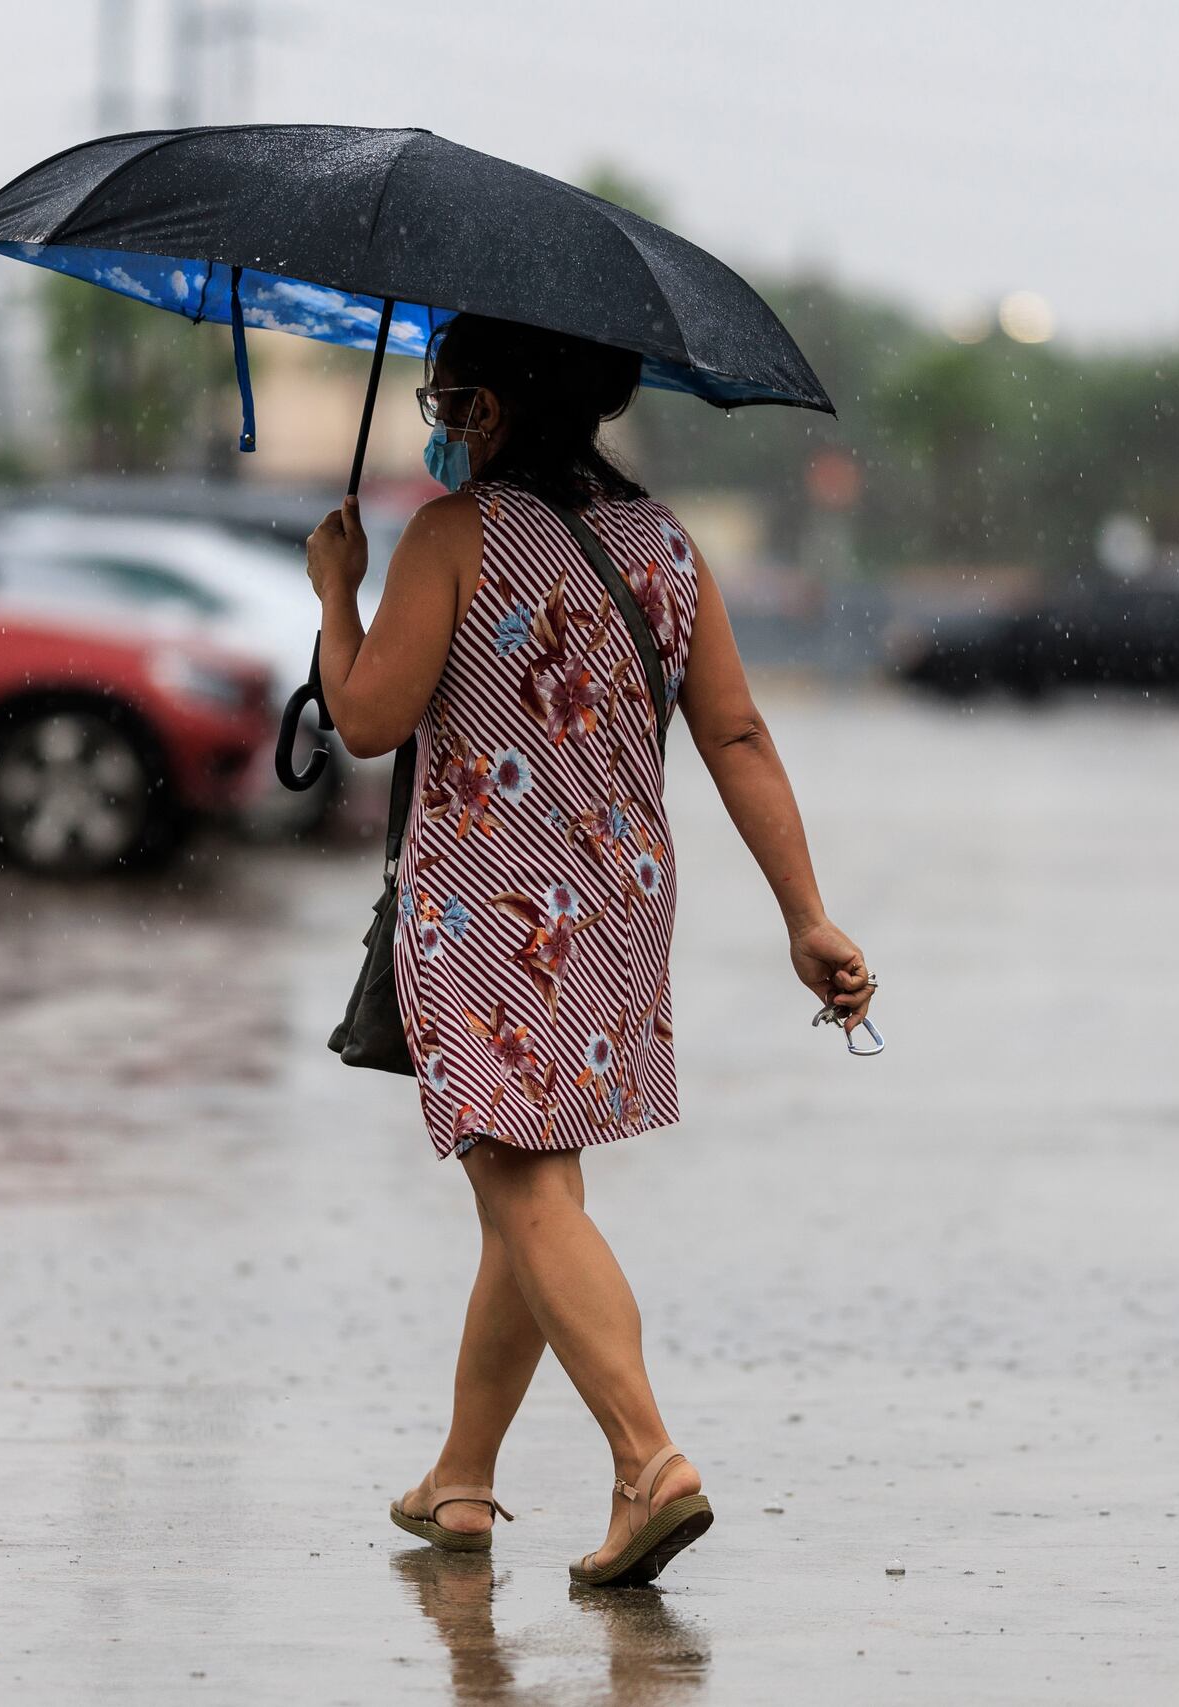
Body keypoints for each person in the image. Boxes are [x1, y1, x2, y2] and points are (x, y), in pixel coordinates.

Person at [305, 313, 875, 1589]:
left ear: (494, 410)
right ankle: (462, 1478)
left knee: (519, 1190)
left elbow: (365, 716)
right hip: (617, 906)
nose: (440, 423)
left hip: (491, 907)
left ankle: (647, 1462)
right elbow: (736, 738)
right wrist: (806, 914)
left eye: (448, 400)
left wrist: (338, 597)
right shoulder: (667, 548)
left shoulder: (454, 537)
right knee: (536, 1190)